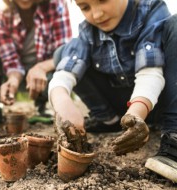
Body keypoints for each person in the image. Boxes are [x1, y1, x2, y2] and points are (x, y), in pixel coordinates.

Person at [49, 0, 177, 182]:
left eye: (102, 0)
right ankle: (108, 120)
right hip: (124, 107)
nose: (97, 14)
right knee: (62, 53)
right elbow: (65, 74)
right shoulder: (88, 31)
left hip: (158, 101)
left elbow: (150, 73)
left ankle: (174, 136)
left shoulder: (151, 10)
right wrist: (63, 103)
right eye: (85, 7)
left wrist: (136, 113)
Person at [0, 0, 72, 125]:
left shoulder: (57, 6)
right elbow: (10, 60)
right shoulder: (1, 15)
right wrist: (13, 79)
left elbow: (64, 53)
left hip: (46, 76)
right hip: (17, 75)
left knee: (61, 69)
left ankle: (41, 105)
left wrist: (41, 68)